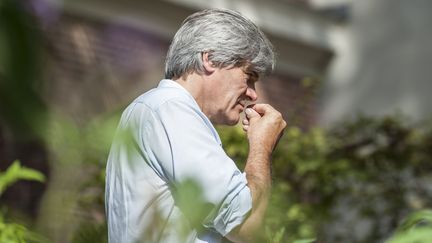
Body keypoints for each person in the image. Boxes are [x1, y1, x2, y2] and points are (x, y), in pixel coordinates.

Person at [105, 8, 286, 243]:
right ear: (209, 59)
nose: (252, 94)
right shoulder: (170, 109)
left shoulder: (160, 110)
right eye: (248, 76)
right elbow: (246, 226)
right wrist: (262, 146)